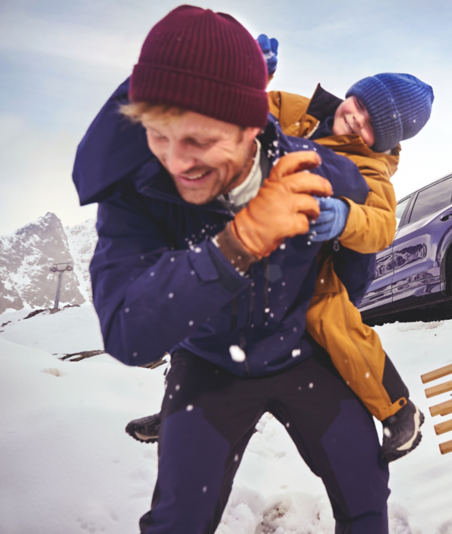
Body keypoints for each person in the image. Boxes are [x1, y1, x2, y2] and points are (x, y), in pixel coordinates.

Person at [73, 6, 391, 532]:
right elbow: (129, 334)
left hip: (299, 357)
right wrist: (236, 244)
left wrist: (342, 242)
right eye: (158, 134)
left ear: (251, 127)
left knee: (365, 490)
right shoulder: (138, 194)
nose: (176, 162)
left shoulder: (318, 170)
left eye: (199, 140)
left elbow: (363, 246)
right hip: (207, 366)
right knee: (180, 518)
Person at [124, 67, 435, 460]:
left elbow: (381, 226)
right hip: (251, 238)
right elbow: (243, 114)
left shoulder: (372, 167)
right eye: (360, 106)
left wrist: (345, 216)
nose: (357, 120)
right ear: (351, 93)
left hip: (309, 263)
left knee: (331, 322)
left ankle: (398, 412)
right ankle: (175, 406)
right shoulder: (294, 109)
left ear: (385, 141)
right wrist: (246, 79)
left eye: (374, 126)